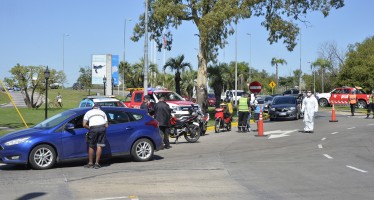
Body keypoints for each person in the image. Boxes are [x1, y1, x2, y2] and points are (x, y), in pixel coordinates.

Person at [82, 103, 108, 169]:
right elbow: (106, 125)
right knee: (99, 145)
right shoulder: (103, 112)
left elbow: (84, 124)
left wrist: (90, 128)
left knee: (91, 145)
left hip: (93, 128)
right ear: (99, 108)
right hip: (102, 128)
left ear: (92, 107)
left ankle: (90, 163)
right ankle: (97, 163)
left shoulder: (88, 112)